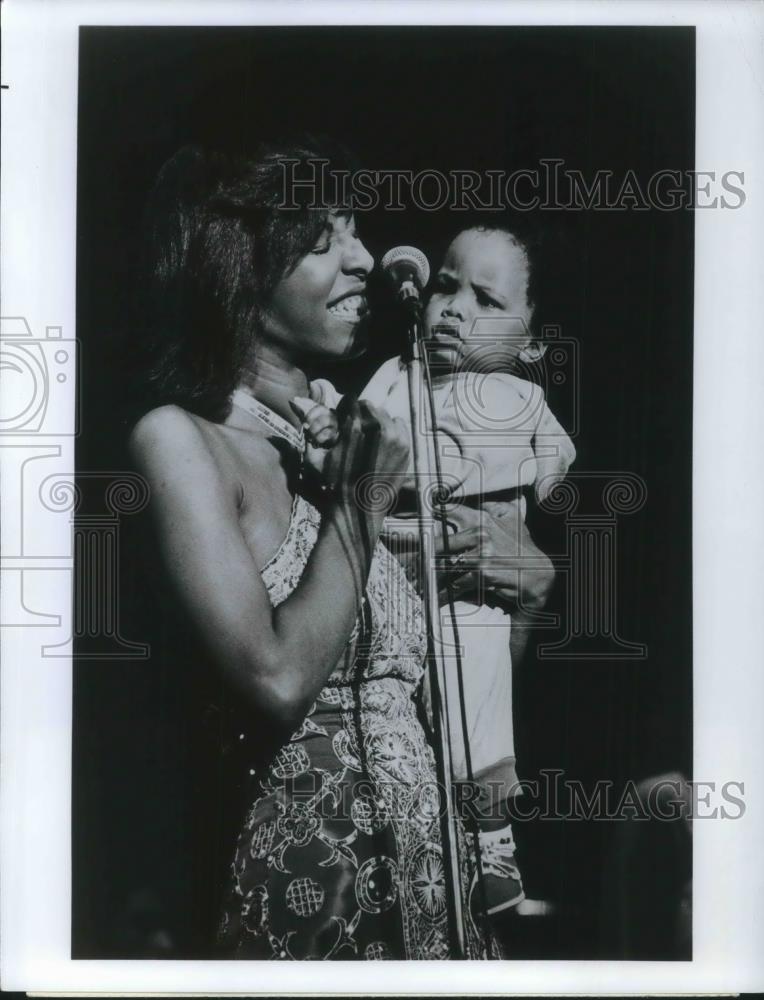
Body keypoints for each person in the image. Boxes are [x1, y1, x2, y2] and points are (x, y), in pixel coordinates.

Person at [129, 143, 556, 960]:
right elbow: (275, 678)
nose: (366, 259)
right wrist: (361, 506)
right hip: (311, 910)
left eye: (358, 235)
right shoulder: (182, 442)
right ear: (241, 269)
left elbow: (448, 708)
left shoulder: (337, 449)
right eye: (327, 243)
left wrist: (526, 595)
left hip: (435, 906)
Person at [296, 223, 574, 921]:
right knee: (405, 701)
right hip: (389, 554)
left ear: (532, 340)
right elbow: (364, 440)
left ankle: (494, 844)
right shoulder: (397, 375)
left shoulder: (524, 401)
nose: (454, 308)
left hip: (474, 583)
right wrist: (333, 425)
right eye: (447, 286)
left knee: (477, 684)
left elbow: (558, 473)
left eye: (487, 300)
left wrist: (549, 493)